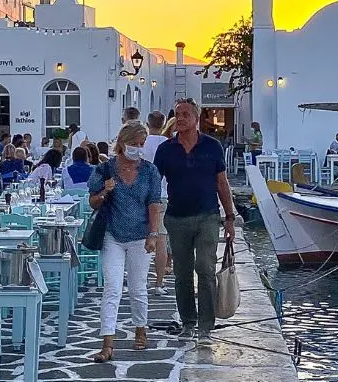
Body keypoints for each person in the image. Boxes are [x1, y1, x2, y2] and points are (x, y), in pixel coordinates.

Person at [155, 99, 237, 342]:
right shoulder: (166, 149)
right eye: (177, 114)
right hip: (177, 218)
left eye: (185, 114)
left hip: (208, 217)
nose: (180, 118)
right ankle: (188, 322)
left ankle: (205, 326)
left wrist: (229, 217)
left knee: (205, 267)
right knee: (181, 273)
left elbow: (222, 183)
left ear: (196, 118)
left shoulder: (212, 146)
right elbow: (152, 181)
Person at [87, 121, 162, 362]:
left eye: (141, 144)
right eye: (134, 144)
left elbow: (153, 204)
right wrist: (104, 192)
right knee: (112, 287)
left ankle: (141, 329)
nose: (138, 149)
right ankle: (107, 342)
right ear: (122, 143)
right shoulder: (105, 170)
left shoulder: (150, 171)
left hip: (140, 236)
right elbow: (93, 202)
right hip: (113, 235)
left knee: (138, 288)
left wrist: (153, 234)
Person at [141, 111, 170, 287]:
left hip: (142, 194)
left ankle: (140, 279)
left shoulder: (141, 143)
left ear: (148, 123)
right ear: (164, 123)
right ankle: (159, 282)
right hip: (164, 194)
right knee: (161, 240)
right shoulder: (169, 144)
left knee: (139, 239)